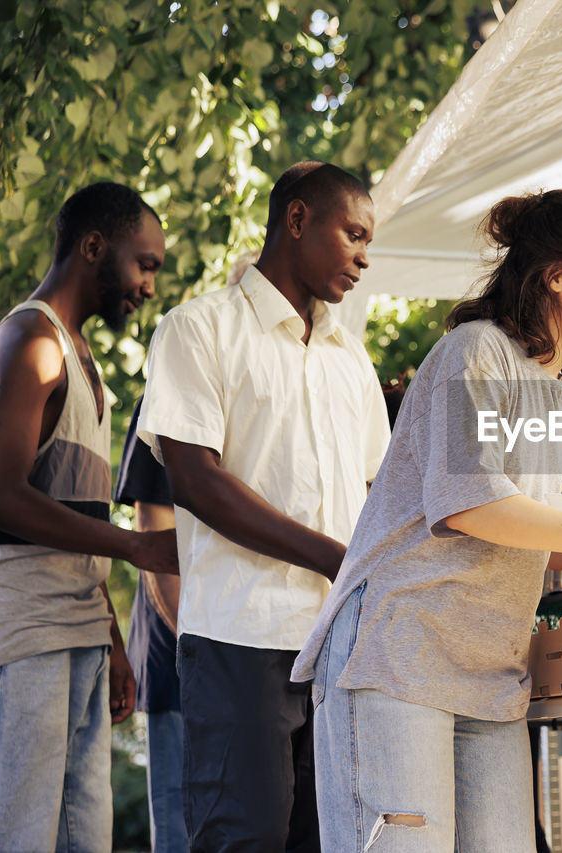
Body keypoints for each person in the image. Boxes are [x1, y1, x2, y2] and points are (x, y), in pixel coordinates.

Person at [291, 189, 562, 852]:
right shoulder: (476, 351)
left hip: (491, 680)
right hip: (399, 657)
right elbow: (473, 502)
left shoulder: (560, 398)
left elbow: (552, 533)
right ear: (556, 275)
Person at [137, 161, 392, 850]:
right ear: (298, 219)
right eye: (355, 235)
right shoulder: (197, 330)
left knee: (329, 838)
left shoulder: (351, 357)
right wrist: (334, 556)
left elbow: (374, 493)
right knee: (242, 837)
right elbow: (195, 480)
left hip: (336, 645)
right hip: (238, 639)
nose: (366, 257)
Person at [0, 181, 178, 849]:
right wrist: (137, 547)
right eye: (146, 263)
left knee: (84, 835)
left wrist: (109, 630)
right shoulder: (30, 341)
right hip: (26, 634)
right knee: (25, 832)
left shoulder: (86, 363)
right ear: (94, 246)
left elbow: (72, 506)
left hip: (77, 631)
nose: (149, 285)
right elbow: (5, 495)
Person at [116, 396, 187, 852]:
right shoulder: (167, 393)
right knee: (182, 830)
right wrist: (195, 647)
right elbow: (151, 526)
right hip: (183, 657)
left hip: (250, 659)